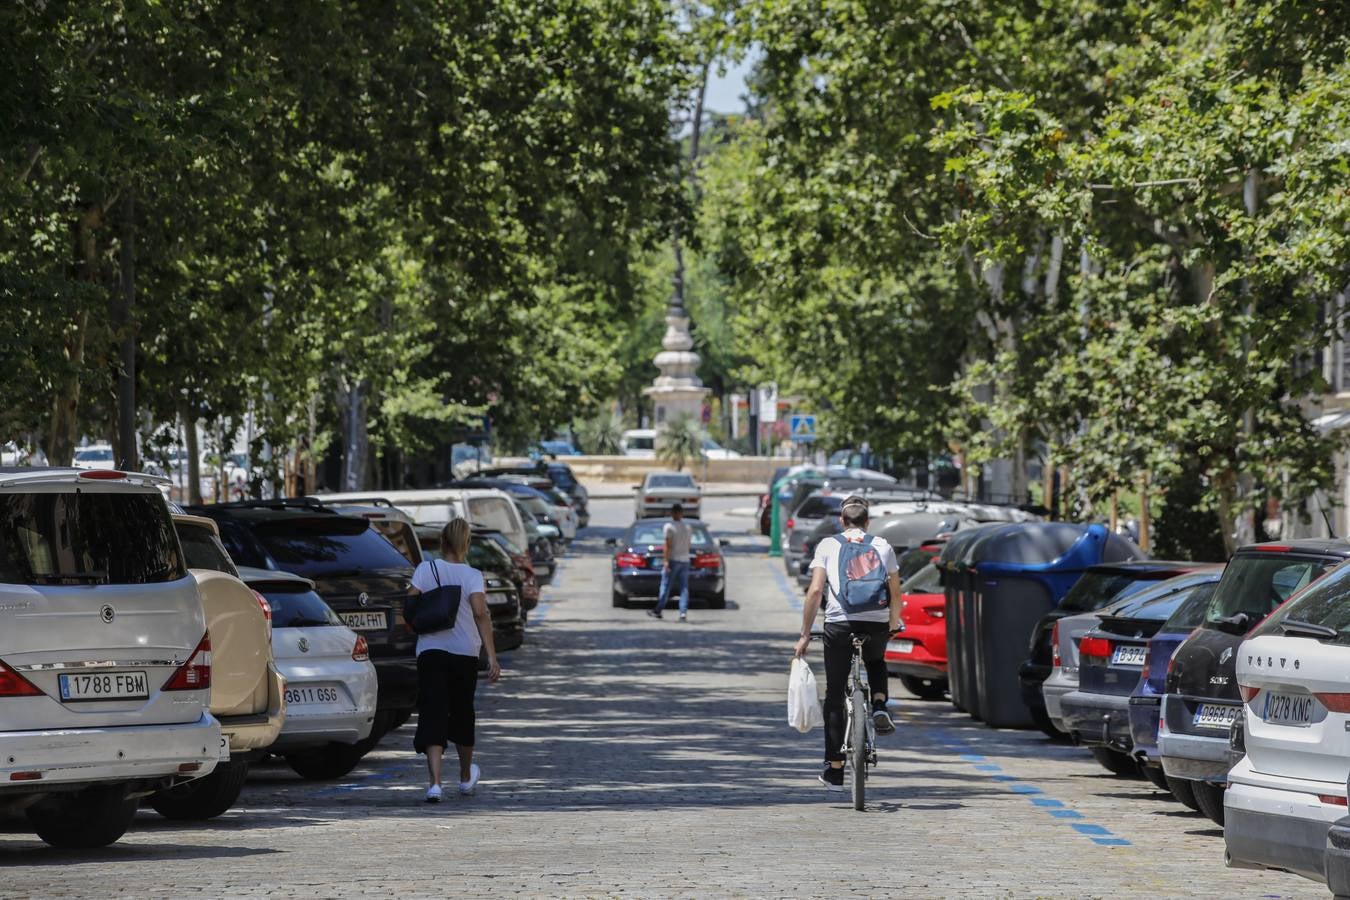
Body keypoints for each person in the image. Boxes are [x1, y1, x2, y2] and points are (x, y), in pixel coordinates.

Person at [793, 495, 902, 791]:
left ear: (841, 522)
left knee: (835, 694)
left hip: (840, 625)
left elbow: (816, 591)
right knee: (877, 660)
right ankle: (879, 705)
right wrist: (893, 621)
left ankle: (835, 768)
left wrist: (805, 634)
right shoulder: (882, 546)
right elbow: (895, 588)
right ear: (867, 523)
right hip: (876, 622)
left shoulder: (828, 545)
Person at [406, 518, 501, 802]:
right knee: (462, 712)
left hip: (430, 651)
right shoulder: (472, 575)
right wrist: (492, 657)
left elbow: (410, 603)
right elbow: (480, 613)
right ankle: (463, 777)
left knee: (433, 711)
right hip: (464, 653)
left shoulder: (426, 569)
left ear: (442, 542)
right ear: (466, 543)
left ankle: (434, 784)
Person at [647, 503, 692, 622]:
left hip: (673, 559)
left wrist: (666, 561)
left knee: (666, 586)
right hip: (685, 560)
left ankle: (658, 609)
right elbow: (688, 545)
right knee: (684, 588)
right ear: (681, 513)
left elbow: (668, 545)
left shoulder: (669, 527)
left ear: (672, 513)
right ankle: (683, 613)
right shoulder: (687, 527)